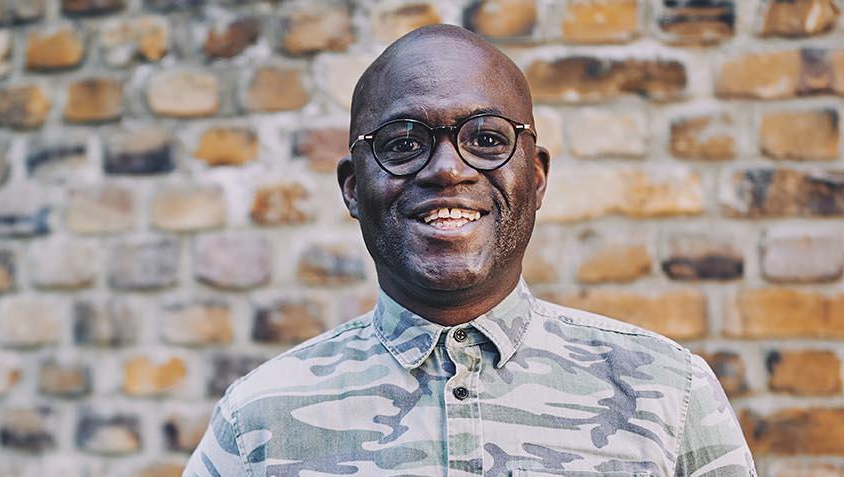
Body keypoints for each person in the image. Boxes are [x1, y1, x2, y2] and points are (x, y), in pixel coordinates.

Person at [182, 24, 756, 477]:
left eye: (486, 139)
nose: (450, 169)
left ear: (536, 175)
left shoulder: (666, 391)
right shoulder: (260, 416)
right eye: (403, 144)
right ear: (353, 188)